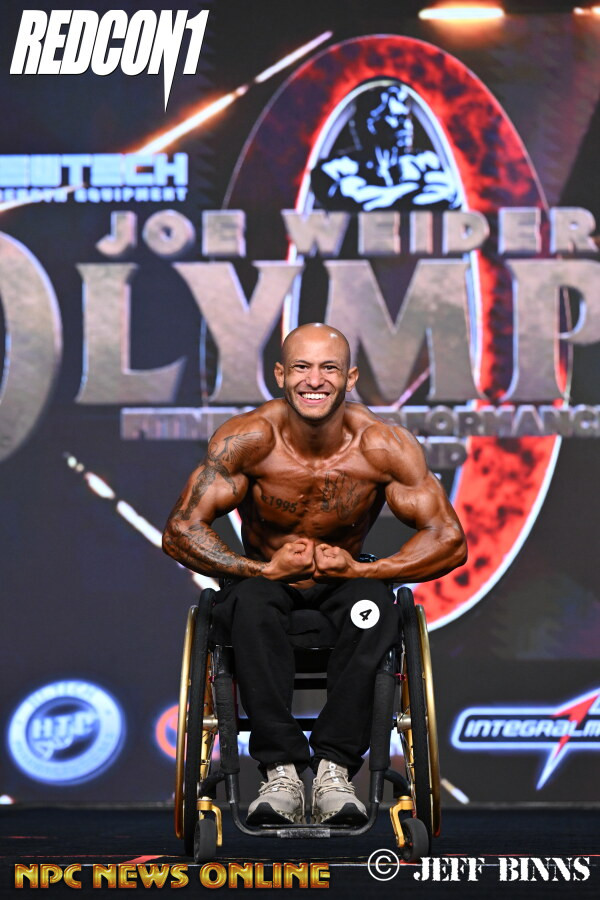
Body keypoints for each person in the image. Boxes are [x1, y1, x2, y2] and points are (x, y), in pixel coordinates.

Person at [163, 323, 467, 826]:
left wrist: (365, 568)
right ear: (280, 375)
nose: (314, 380)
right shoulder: (249, 440)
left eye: (329, 368)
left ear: (350, 378)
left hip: (342, 588)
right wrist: (263, 568)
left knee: (375, 605)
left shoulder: (382, 445)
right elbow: (180, 530)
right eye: (301, 367)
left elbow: (449, 539)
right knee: (251, 602)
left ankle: (334, 771)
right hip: (265, 586)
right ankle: (280, 772)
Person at [311, 83, 460, 211]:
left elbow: (450, 195)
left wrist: (384, 196)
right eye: (397, 118)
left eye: (406, 117)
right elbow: (355, 201)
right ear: (372, 124)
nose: (406, 125)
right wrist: (417, 189)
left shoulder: (426, 163)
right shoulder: (334, 169)